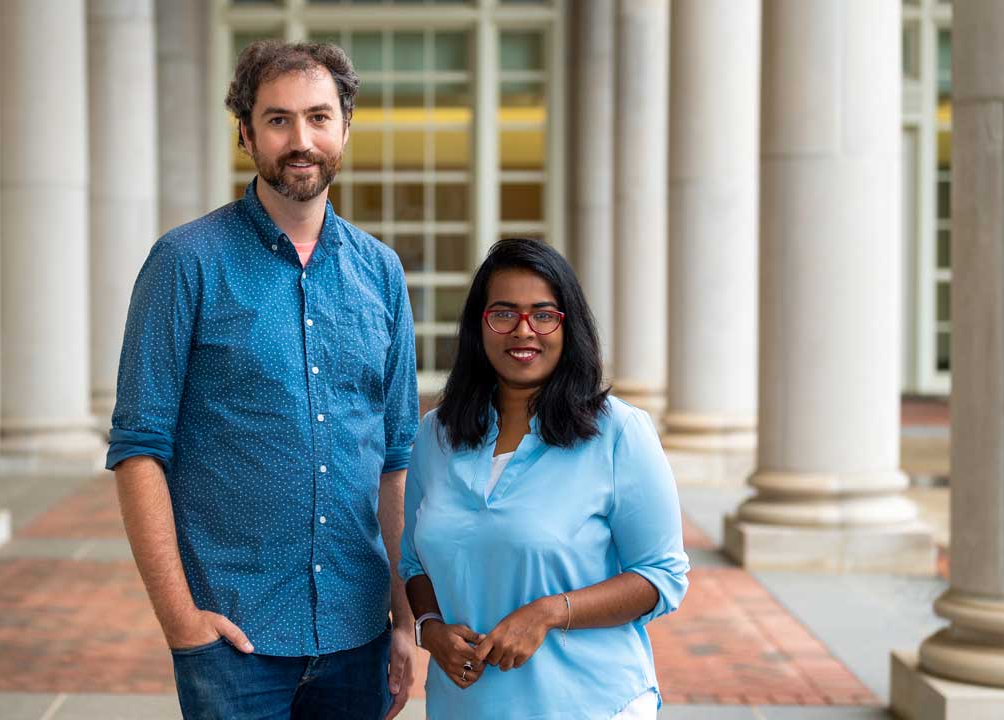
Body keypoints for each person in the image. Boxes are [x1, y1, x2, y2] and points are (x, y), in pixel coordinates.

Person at [106, 40, 419, 720]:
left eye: (317, 117)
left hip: (358, 632)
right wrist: (181, 622)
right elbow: (138, 449)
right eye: (277, 120)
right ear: (245, 134)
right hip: (232, 638)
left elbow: (396, 461)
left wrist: (404, 619)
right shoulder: (184, 262)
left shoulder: (382, 274)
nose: (300, 139)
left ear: (344, 127)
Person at [399, 238, 690, 719]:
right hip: (465, 705)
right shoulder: (436, 435)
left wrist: (550, 613)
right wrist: (429, 626)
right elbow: (413, 563)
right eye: (504, 314)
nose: (523, 330)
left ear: (567, 325)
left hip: (590, 703)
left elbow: (662, 576)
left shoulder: (619, 433)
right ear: (480, 325)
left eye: (544, 314)